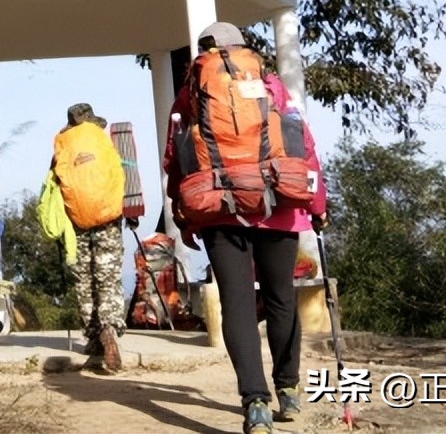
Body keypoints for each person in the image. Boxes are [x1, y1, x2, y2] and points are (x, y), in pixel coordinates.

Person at [164, 22, 328, 434]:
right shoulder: (271, 86)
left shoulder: (189, 94)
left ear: (203, 52)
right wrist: (317, 203)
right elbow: (302, 144)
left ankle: (255, 403)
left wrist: (183, 215)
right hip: (278, 204)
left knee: (237, 304)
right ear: (243, 49)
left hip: (219, 208)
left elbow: (175, 157)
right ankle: (288, 390)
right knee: (281, 299)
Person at [50, 101, 127, 372]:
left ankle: (93, 338)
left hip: (77, 222)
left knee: (84, 281)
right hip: (108, 217)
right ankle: (109, 328)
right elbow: (120, 175)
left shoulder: (63, 143)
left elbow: (54, 186)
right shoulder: (102, 141)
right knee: (108, 277)